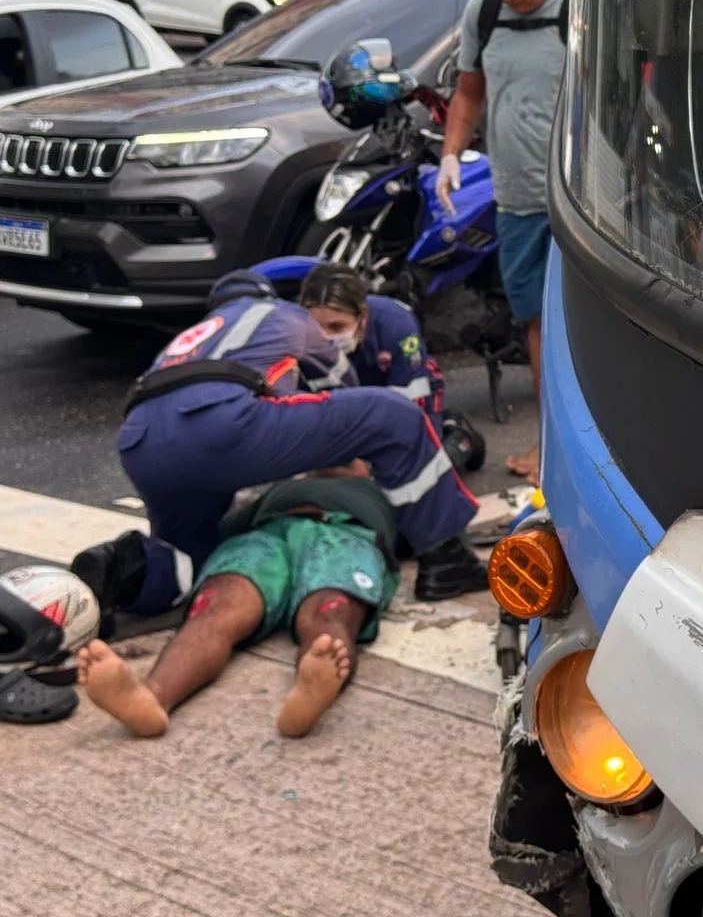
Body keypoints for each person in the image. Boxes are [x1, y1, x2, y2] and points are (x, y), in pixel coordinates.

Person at [71, 269, 486, 622]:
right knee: (394, 416)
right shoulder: (285, 314)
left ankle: (123, 567)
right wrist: (355, 460)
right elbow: (341, 389)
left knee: (194, 555)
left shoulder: (199, 334)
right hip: (221, 422)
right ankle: (446, 558)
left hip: (140, 441)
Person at [76, 472, 398, 739]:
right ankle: (151, 696)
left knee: (330, 612)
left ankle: (312, 685)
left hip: (345, 532)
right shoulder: (283, 481)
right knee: (218, 608)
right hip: (265, 532)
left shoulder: (383, 486)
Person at [437, 0, 570, 481]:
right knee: (537, 325)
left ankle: (586, 455)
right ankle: (549, 450)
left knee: (580, 329)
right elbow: (468, 96)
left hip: (580, 204)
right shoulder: (483, 15)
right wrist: (450, 154)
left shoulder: (577, 13)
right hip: (516, 199)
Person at [298, 262, 486, 474]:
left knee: (422, 471)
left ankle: (460, 438)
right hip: (347, 399)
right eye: (316, 327)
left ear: (363, 317)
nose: (326, 337)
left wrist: (370, 466)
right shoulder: (295, 332)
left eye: (337, 327)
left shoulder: (397, 327)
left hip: (405, 391)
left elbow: (409, 416)